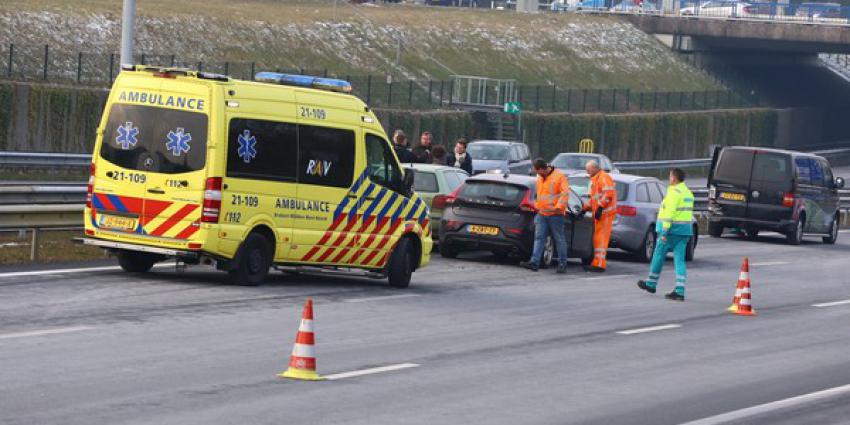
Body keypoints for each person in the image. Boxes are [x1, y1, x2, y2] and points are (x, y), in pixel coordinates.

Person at [637, 168, 695, 301]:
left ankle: (651, 283)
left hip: (670, 231)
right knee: (679, 260)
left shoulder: (673, 192)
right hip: (684, 231)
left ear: (674, 178)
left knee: (658, 256)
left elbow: (669, 213)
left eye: (670, 176)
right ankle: (680, 290)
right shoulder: (687, 192)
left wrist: (664, 231)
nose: (669, 179)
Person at [519, 159, 570, 274]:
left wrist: (558, 207)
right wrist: (536, 206)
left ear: (542, 169)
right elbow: (540, 195)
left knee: (559, 240)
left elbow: (565, 193)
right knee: (539, 238)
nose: (537, 174)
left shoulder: (559, 176)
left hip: (555, 214)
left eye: (537, 171)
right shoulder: (540, 177)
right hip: (542, 213)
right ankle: (534, 262)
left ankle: (562, 264)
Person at [581, 160, 617, 273]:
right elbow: (594, 200)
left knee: (601, 240)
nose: (587, 172)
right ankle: (597, 263)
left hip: (605, 214)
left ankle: (600, 265)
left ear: (594, 168)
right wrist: (584, 209)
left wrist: (600, 207)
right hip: (600, 214)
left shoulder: (603, 178)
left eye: (588, 170)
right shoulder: (596, 179)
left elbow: (608, 194)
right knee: (598, 239)